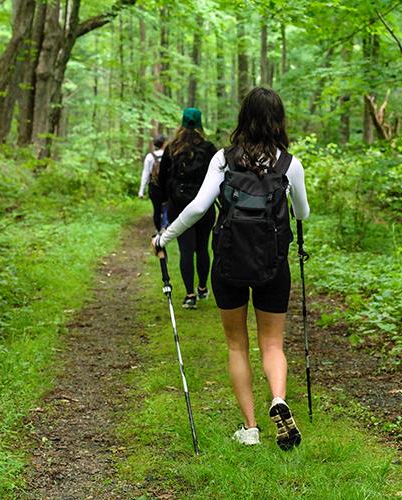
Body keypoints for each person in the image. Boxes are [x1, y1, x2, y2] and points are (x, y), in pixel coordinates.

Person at [152, 88, 310, 450]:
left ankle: (251, 428)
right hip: (273, 264)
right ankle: (279, 400)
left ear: (244, 118)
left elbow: (196, 209)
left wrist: (165, 236)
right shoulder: (290, 164)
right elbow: (302, 214)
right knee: (272, 344)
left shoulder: (223, 159)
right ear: (278, 120)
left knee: (237, 345)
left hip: (228, 262)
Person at [157, 108, 217, 309]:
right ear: (200, 124)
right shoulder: (209, 149)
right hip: (205, 205)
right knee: (202, 248)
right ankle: (202, 288)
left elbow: (162, 179)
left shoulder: (172, 148)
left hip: (179, 205)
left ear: (181, 123)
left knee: (186, 249)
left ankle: (190, 295)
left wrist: (164, 203)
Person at [139, 135, 167, 232]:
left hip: (154, 187)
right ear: (164, 144)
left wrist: (141, 191)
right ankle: (164, 227)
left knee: (157, 210)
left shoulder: (149, 156)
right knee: (166, 207)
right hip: (166, 187)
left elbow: (145, 173)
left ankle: (158, 229)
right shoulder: (168, 154)